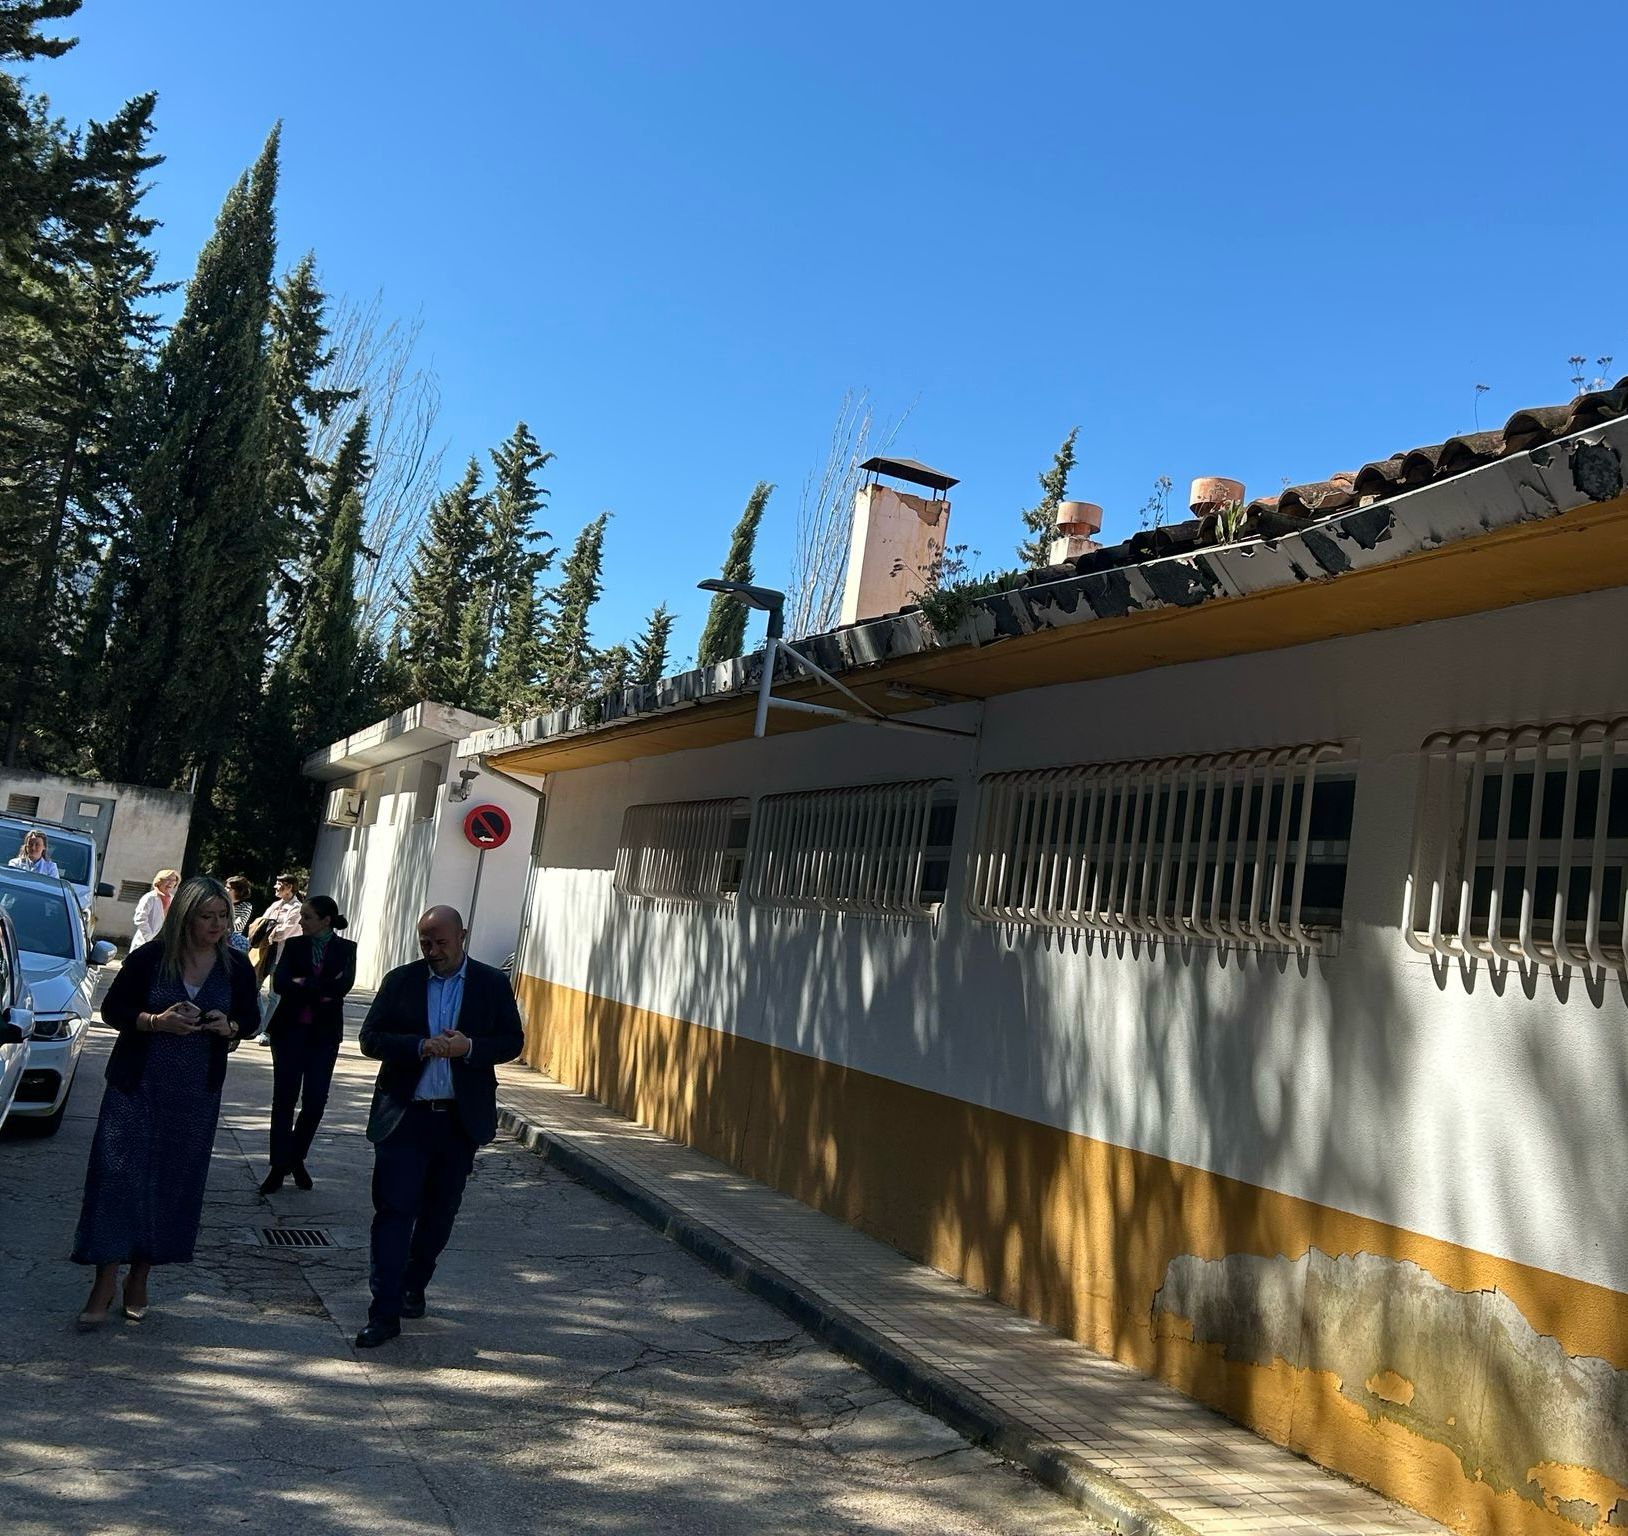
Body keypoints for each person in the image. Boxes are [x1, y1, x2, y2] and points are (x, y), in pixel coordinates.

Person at [70, 875, 258, 1329]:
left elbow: (249, 1020)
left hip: (194, 1094)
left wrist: (226, 1027)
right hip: (136, 1086)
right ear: (184, 917)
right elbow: (113, 1010)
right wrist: (156, 1021)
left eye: (222, 916)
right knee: (118, 1179)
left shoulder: (235, 965)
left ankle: (140, 1276)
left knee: (171, 1183)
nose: (216, 924)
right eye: (206, 916)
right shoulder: (151, 958)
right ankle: (105, 1280)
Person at [354, 905, 523, 1348]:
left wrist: (470, 1048)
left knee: (438, 1215)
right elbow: (370, 1038)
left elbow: (512, 1040)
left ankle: (414, 1281)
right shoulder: (402, 981)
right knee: (393, 1214)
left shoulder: (490, 984)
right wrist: (416, 1046)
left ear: (462, 936)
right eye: (425, 943)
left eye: (441, 942)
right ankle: (384, 1311)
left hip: (457, 1121)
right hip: (404, 1116)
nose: (432, 951)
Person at [260, 896, 356, 1196]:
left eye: (308, 917)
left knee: (315, 1101)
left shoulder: (346, 949)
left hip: (324, 1035)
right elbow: (281, 984)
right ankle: (278, 1165)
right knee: (284, 1099)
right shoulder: (295, 945)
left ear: (326, 920)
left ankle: (296, 1156)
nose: (301, 921)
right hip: (288, 1031)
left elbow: (343, 987)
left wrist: (305, 985)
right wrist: (320, 988)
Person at [247, 873, 303, 1045]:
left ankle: (266, 1031)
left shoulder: (296, 908)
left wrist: (267, 928)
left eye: (279, 884)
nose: (275, 887)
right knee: (252, 988)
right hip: (264, 952)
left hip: (281, 955)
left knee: (274, 994)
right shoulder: (275, 905)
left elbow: (282, 933)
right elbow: (259, 925)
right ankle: (260, 1023)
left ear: (290, 887)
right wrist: (267, 927)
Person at [130, 869, 180, 950]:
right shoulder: (150, 897)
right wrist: (149, 936)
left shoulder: (173, 900)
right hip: (145, 942)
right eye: (167, 879)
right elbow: (140, 919)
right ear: (159, 881)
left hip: (164, 944)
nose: (170, 883)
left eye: (174, 880)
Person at [225, 875, 254, 951]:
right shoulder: (221, 903)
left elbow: (239, 925)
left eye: (229, 888)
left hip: (232, 941)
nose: (225, 890)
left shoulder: (245, 906)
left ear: (237, 891)